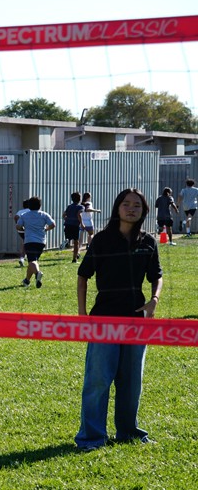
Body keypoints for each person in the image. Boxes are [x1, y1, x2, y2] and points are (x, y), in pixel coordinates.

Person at [75, 188, 162, 451]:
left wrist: (154, 299)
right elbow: (83, 277)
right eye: (126, 204)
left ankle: (128, 432)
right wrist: (82, 315)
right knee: (99, 379)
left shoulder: (148, 241)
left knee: (131, 380)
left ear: (144, 211)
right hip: (103, 320)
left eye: (137, 205)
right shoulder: (101, 240)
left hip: (136, 320)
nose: (132, 208)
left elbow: (157, 275)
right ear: (117, 208)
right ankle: (92, 437)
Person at [18, 196, 55, 288]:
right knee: (33, 261)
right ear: (40, 205)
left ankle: (38, 273)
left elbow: (18, 226)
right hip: (41, 241)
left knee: (32, 261)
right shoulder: (44, 215)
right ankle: (27, 280)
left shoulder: (25, 215)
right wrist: (46, 229)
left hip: (29, 240)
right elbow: (53, 224)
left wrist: (23, 228)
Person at [61, 191, 84, 262]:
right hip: (75, 225)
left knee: (68, 237)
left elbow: (64, 214)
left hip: (67, 224)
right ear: (80, 199)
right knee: (76, 242)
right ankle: (74, 259)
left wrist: (66, 219)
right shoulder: (81, 207)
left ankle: (67, 241)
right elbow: (78, 215)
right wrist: (82, 224)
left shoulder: (69, 206)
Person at [14, 198, 31, 267]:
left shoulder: (20, 211)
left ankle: (24, 257)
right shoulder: (30, 211)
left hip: (20, 231)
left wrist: (18, 225)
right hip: (28, 230)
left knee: (25, 242)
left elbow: (15, 217)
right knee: (27, 244)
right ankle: (22, 258)